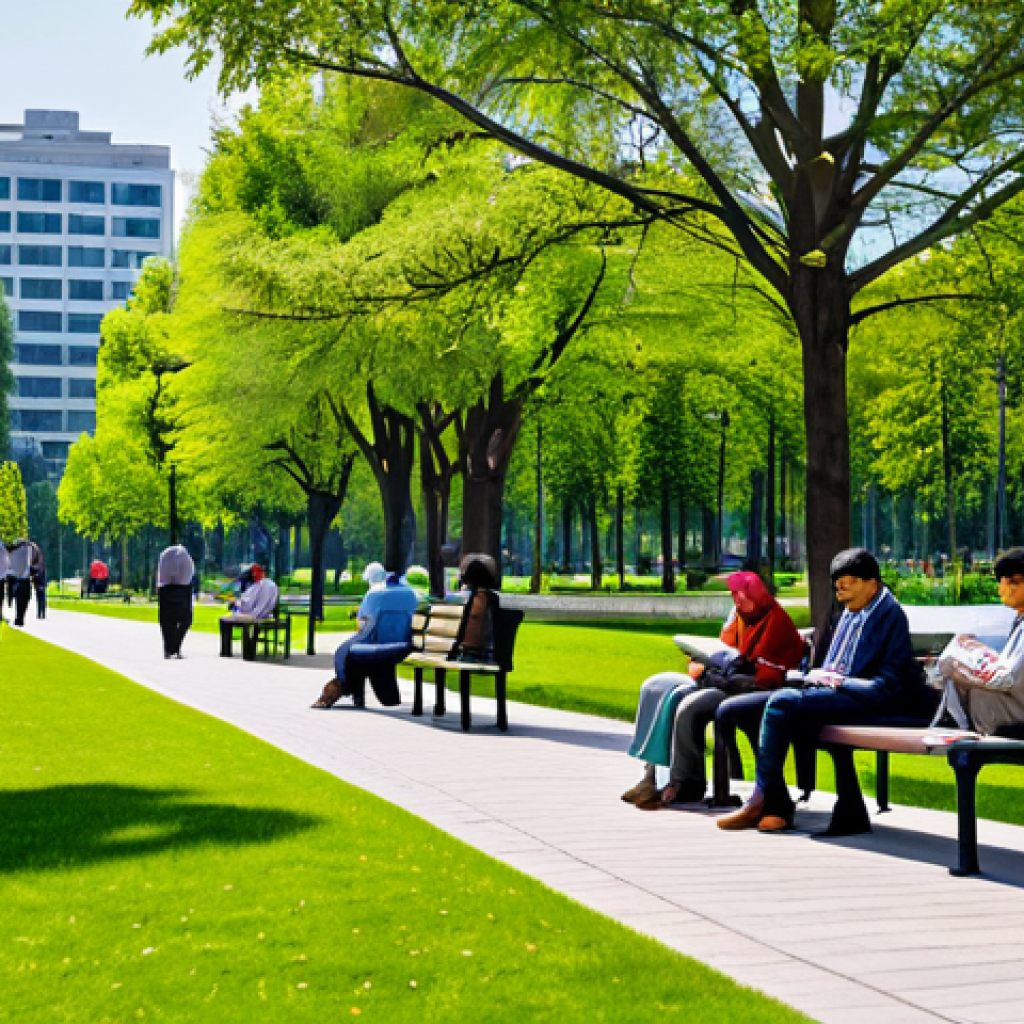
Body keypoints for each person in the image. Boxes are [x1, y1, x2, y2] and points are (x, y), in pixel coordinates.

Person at [718, 547, 930, 833]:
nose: (839, 588)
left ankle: (765, 801)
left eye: (849, 581)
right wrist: (813, 677)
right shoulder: (848, 613)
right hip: (841, 694)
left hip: (878, 701)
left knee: (782, 704)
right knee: (743, 709)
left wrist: (837, 681)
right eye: (837, 582)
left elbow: (889, 685)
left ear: (872, 583)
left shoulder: (888, 615)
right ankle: (784, 801)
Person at [623, 572, 805, 810]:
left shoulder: (775, 621)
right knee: (655, 686)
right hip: (718, 679)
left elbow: (772, 674)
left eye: (743, 597)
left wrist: (737, 672)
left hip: (745, 690)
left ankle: (687, 782)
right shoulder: (738, 616)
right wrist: (706, 668)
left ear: (758, 595)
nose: (738, 603)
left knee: (687, 703)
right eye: (735, 597)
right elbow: (720, 649)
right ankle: (650, 777)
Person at [933, 548, 1024, 736]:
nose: (1001, 589)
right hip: (1007, 708)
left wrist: (964, 674)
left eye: (1006, 582)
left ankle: (950, 723)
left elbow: (1007, 680)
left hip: (1013, 718)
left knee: (955, 675)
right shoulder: (1018, 621)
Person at [312, 562, 418, 709]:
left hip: (377, 640)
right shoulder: (410, 593)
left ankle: (344, 686)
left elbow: (364, 625)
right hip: (405, 641)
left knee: (344, 651)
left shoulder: (375, 593)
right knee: (356, 653)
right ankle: (369, 693)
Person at [218, 563, 279, 653]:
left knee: (224, 619)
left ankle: (226, 652)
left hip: (254, 615)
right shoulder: (271, 584)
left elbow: (247, 604)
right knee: (240, 618)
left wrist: (236, 602)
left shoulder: (258, 585)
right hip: (267, 614)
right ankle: (250, 649)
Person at [157, 544, 196, 659]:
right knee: (185, 618)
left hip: (166, 587)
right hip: (182, 587)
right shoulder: (184, 557)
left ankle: (169, 647)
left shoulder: (166, 555)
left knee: (167, 620)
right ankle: (175, 646)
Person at [7, 539, 34, 627]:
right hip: (22, 579)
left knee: (22, 600)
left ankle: (20, 617)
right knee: (23, 600)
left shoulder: (23, 550)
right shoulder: (23, 550)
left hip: (22, 578)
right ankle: (20, 617)